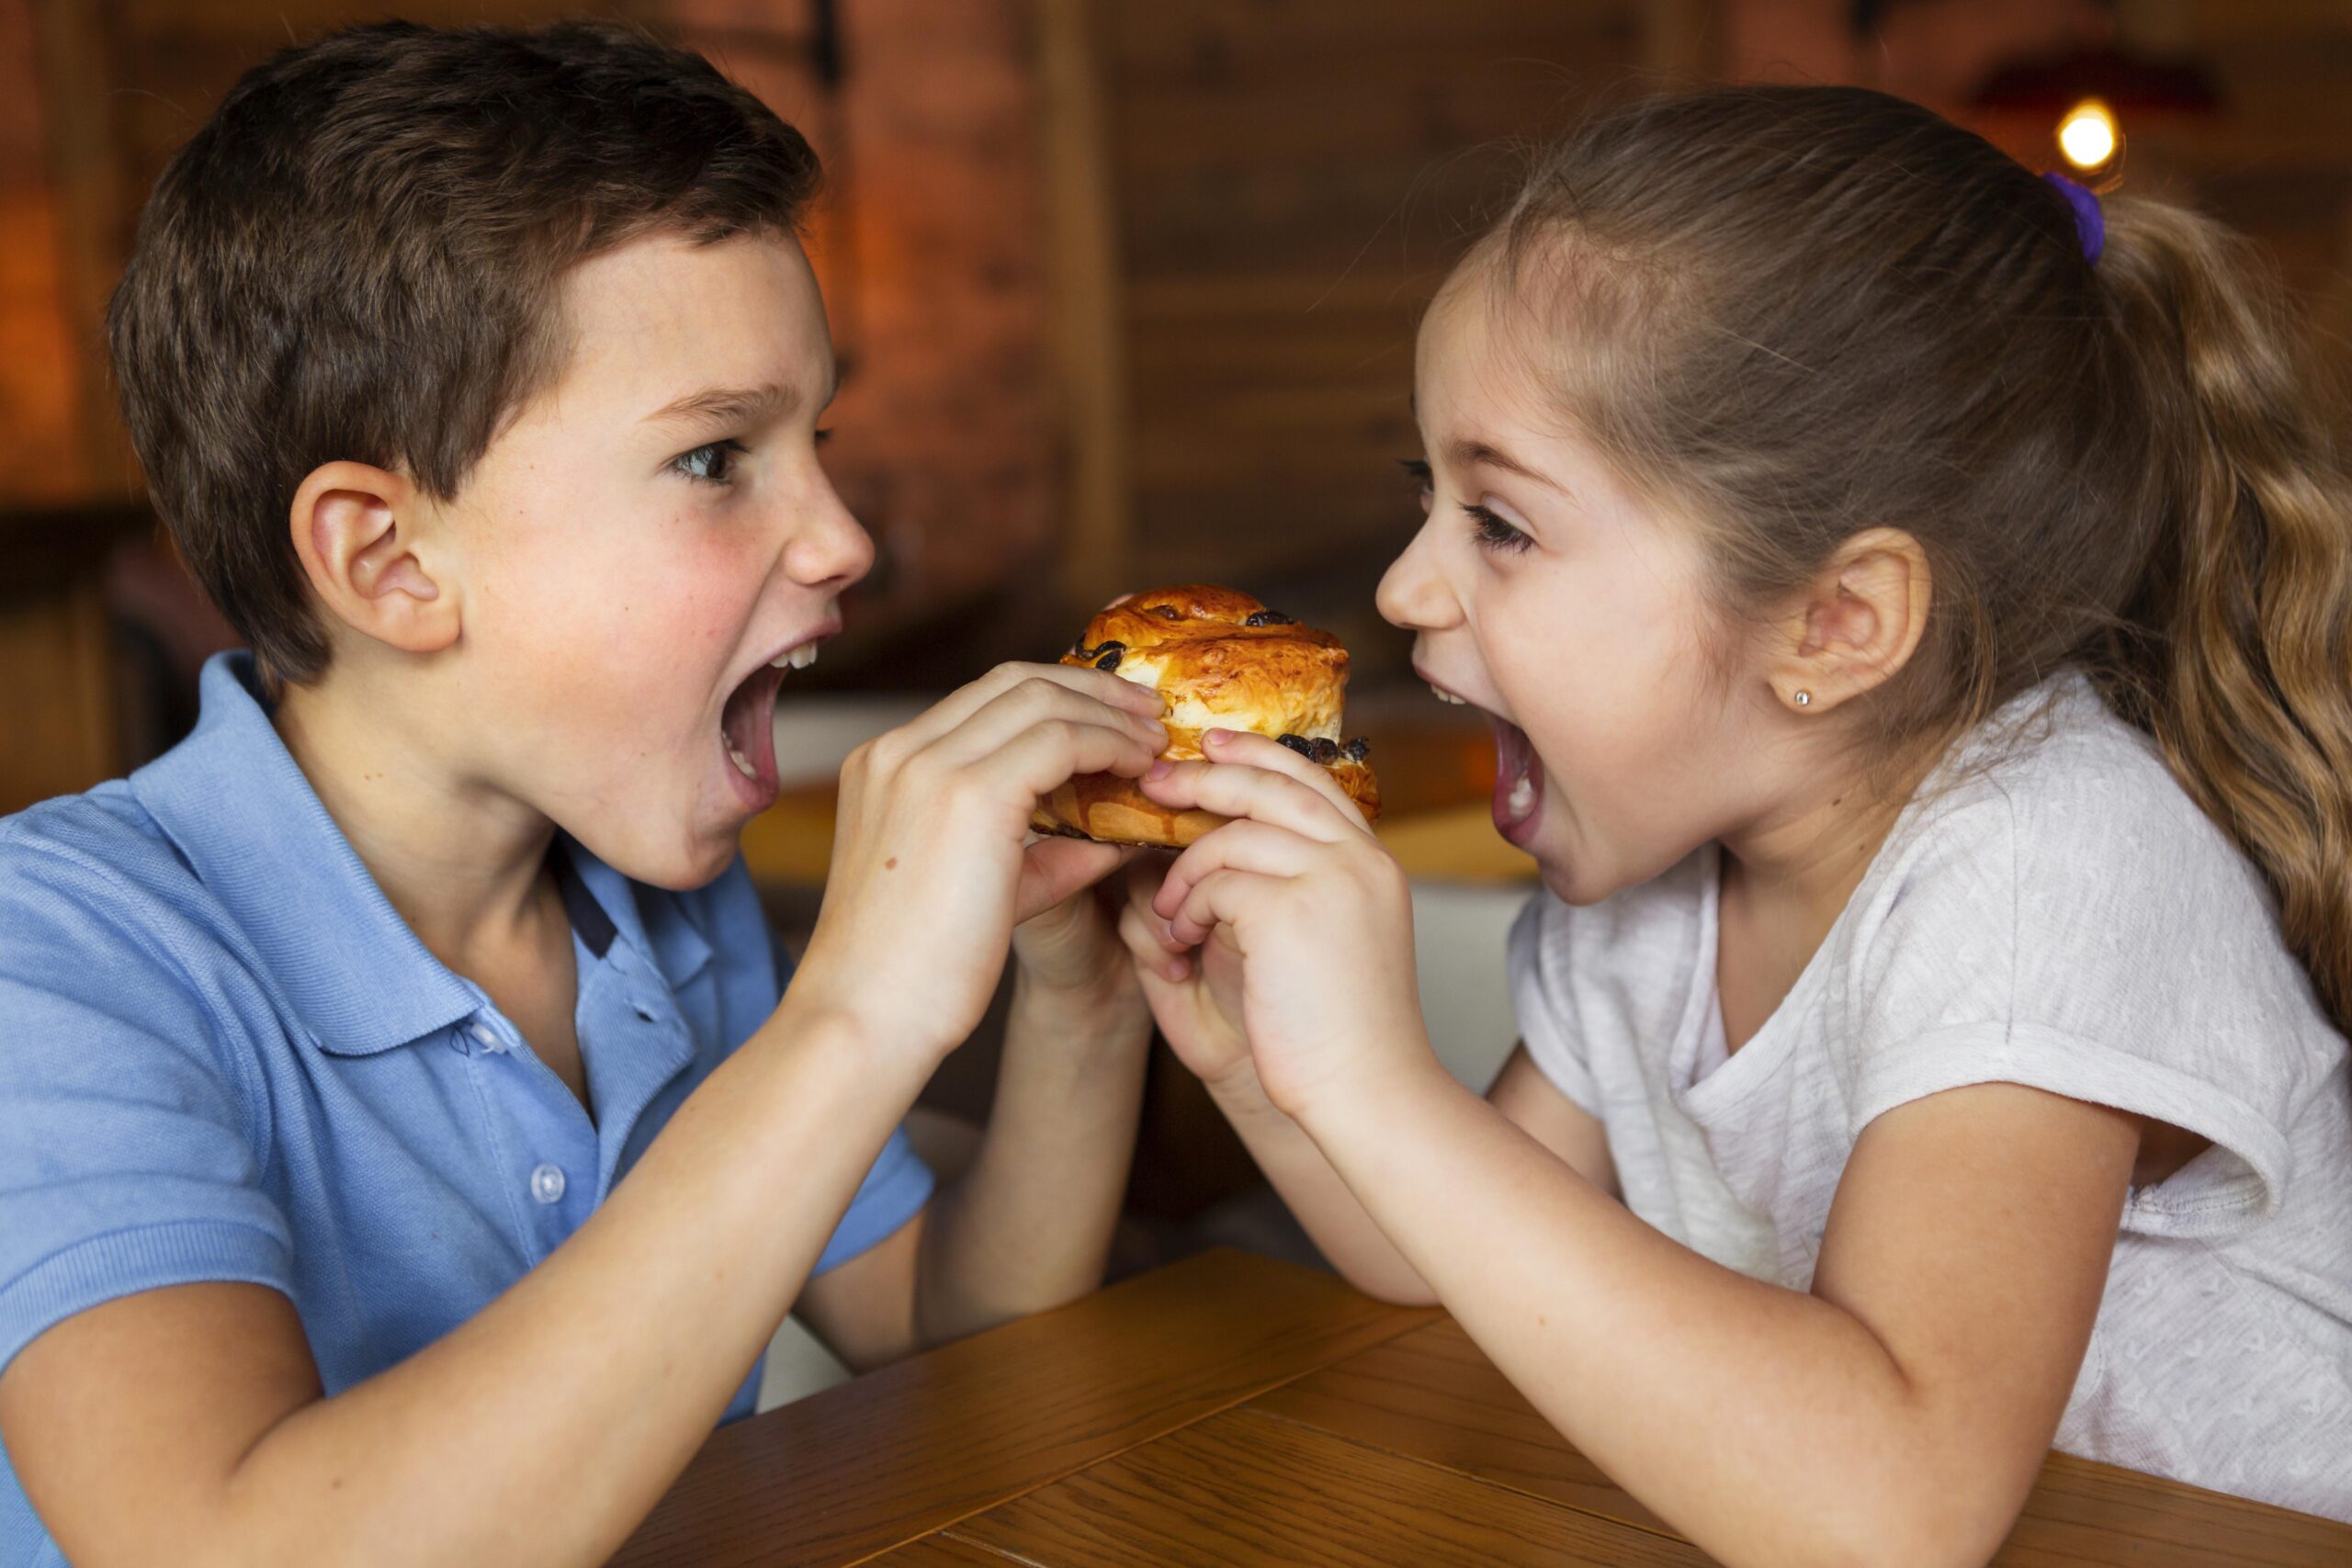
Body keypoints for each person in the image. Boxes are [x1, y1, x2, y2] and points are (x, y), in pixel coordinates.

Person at [1121, 85, 2352, 1561]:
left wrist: (1381, 1088)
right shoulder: (1651, 894)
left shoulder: (2049, 863)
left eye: (1499, 524)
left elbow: (1893, 1508)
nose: (1403, 589)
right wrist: (1285, 1070)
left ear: (1834, 624)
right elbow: (1447, 1258)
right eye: (1425, 494)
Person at [0, 22, 1159, 1567]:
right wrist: (853, 1019)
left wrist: (1079, 1004)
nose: (842, 539)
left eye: (815, 440)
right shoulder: (56, 961)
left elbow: (935, 1326)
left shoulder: (662, 903)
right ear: (390, 562)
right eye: (713, 459)